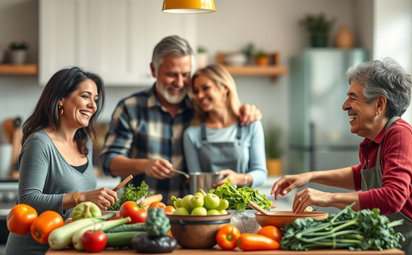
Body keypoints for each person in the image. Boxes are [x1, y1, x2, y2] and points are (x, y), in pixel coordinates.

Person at [271, 58, 412, 255]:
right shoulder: (375, 140)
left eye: (353, 98)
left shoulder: (400, 136)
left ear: (380, 103)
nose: (345, 106)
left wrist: (327, 198)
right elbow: (361, 176)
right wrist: (309, 177)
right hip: (393, 243)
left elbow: (393, 197)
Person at [101, 35, 261, 203]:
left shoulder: (199, 107)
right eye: (171, 74)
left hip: (188, 213)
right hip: (141, 212)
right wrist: (145, 165)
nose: (179, 82)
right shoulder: (130, 108)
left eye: (185, 74)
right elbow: (108, 161)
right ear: (153, 70)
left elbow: (226, 113)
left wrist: (246, 110)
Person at [5, 67, 118, 255]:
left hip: (64, 248)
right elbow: (28, 200)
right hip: (35, 250)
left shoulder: (83, 144)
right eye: (85, 96)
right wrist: (81, 196)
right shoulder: (40, 142)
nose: (93, 106)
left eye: (95, 100)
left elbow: (74, 209)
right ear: (61, 99)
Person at [184, 64, 267, 188]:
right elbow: (196, 184)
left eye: (205, 88)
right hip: (208, 206)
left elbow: (261, 174)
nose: (199, 96)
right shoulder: (192, 134)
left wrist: (240, 178)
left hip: (244, 206)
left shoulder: (250, 125)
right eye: (196, 91)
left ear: (225, 88)